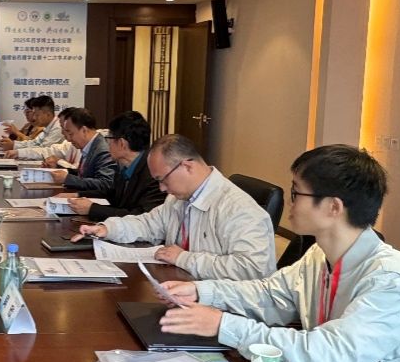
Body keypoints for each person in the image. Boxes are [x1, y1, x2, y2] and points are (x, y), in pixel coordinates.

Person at [157, 145, 400, 362]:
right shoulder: (320, 255)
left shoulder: (390, 280)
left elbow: (331, 356)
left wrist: (224, 325)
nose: (290, 203)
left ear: (333, 207)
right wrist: (202, 291)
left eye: (296, 192)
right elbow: (270, 295)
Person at [75, 134, 274, 279]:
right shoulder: (179, 198)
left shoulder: (239, 209)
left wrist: (184, 258)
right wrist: (108, 228)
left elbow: (252, 269)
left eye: (162, 179)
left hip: (222, 310)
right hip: (181, 289)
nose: (161, 188)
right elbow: (149, 224)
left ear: (187, 166)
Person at [53, 111, 164, 220]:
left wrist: (92, 209)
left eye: (109, 138)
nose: (107, 143)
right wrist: (77, 195)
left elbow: (140, 217)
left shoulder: (154, 173)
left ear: (122, 143)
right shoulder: (124, 165)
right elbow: (111, 193)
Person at [45, 108, 116, 193]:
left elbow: (105, 184)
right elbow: (83, 174)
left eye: (71, 134)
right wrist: (59, 168)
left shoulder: (103, 150)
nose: (69, 139)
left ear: (84, 130)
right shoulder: (91, 145)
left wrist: (68, 179)